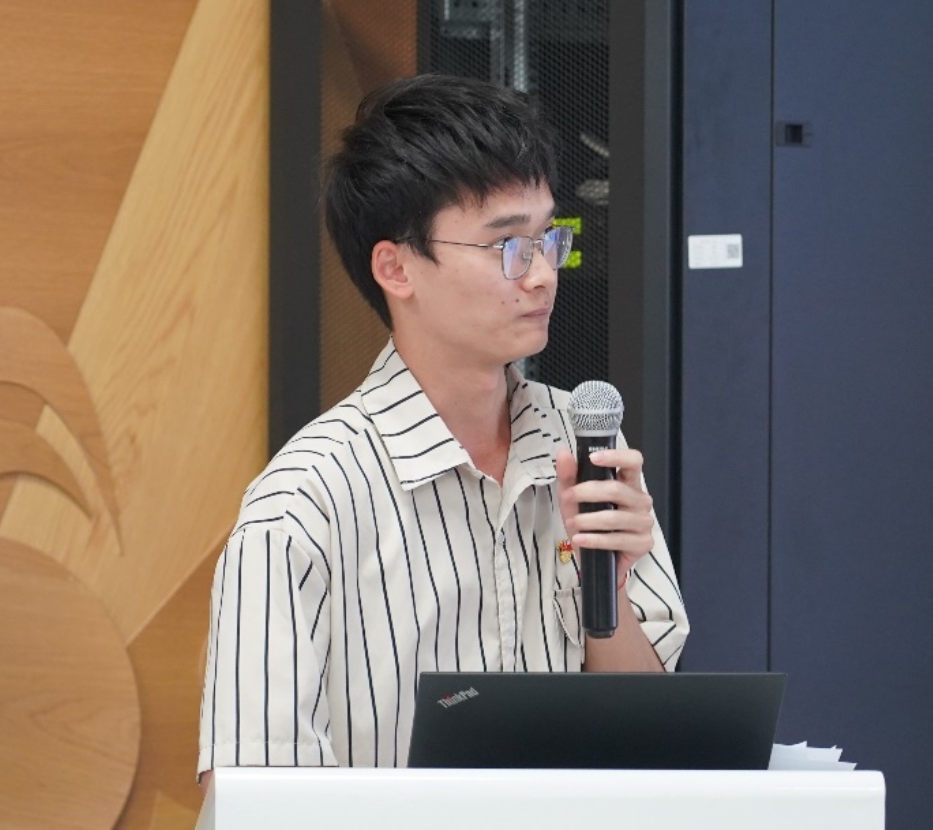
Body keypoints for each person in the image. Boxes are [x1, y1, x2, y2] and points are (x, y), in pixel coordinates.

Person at [198, 74, 688, 782]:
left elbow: (654, 744)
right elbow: (252, 791)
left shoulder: (584, 443)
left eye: (549, 238)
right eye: (507, 246)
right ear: (396, 268)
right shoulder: (304, 505)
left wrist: (604, 591)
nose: (543, 275)